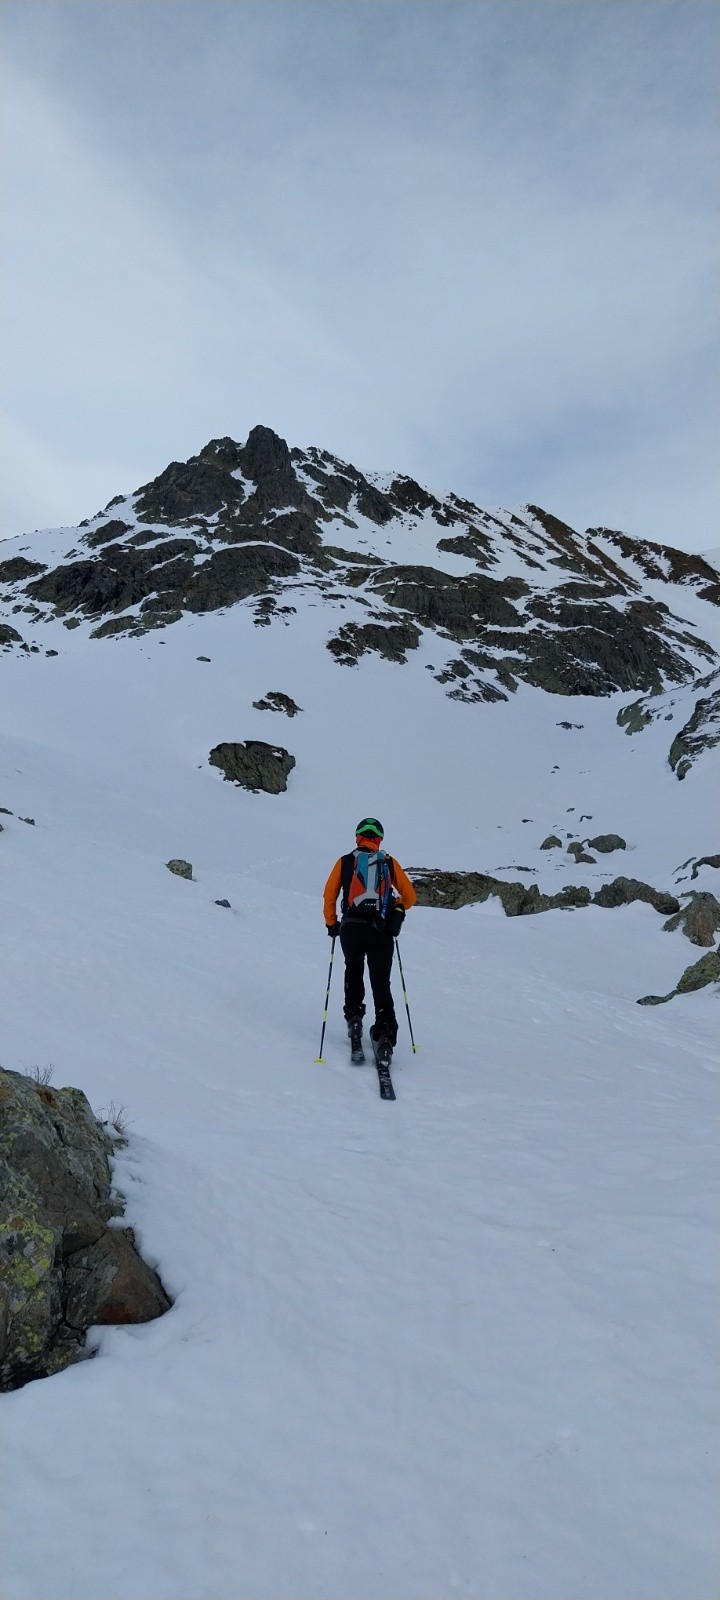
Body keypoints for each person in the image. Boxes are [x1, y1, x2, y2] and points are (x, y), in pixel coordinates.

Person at [323, 816, 416, 1065]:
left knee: (353, 970)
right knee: (380, 983)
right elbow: (410, 896)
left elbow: (329, 894)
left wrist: (332, 924)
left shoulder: (344, 862)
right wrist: (395, 907)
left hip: (351, 929)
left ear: (358, 837)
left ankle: (354, 1018)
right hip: (380, 932)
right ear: (379, 839)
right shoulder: (387, 862)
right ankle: (384, 1034)